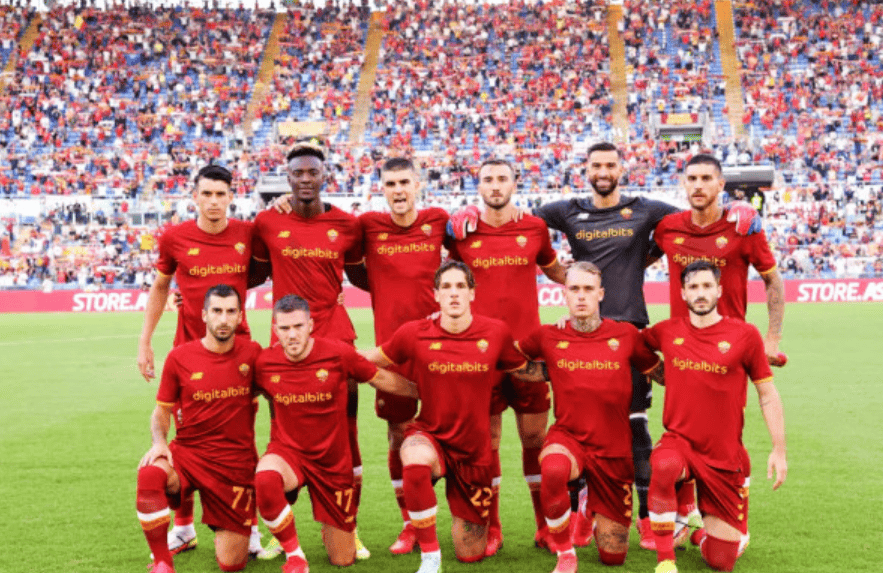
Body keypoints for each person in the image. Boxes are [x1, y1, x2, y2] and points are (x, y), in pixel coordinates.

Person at [530, 142, 761, 548]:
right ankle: (582, 507)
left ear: (622, 169)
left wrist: (736, 208)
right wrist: (555, 269)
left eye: (610, 165)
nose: (603, 171)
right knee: (577, 422)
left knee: (635, 424)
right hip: (582, 332)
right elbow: (522, 226)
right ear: (586, 169)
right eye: (596, 165)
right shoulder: (567, 211)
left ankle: (645, 518)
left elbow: (696, 213)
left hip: (630, 332)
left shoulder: (646, 210)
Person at [360, 261, 547, 573]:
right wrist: (411, 389)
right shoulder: (414, 333)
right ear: (436, 295)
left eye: (461, 286)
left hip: (473, 452)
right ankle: (430, 557)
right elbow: (369, 364)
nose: (454, 293)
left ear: (472, 293)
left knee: (470, 553)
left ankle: (466, 526)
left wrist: (571, 362)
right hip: (430, 435)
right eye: (446, 287)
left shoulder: (496, 332)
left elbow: (526, 371)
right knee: (414, 459)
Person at [136, 164, 266, 557]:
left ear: (231, 197)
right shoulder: (174, 238)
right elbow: (161, 287)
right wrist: (145, 342)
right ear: (195, 196)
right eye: (206, 193)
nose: (213, 201)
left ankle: (249, 524)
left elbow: (271, 268)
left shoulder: (247, 234)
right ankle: (183, 528)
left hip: (238, 352)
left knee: (243, 438)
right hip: (189, 352)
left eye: (220, 194)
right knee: (186, 439)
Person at [251, 143, 370, 558]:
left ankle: (349, 525)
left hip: (335, 336)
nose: (305, 179)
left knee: (348, 434)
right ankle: (281, 530)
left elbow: (364, 277)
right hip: (285, 342)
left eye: (312, 172)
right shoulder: (268, 221)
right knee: (283, 436)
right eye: (298, 173)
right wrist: (191, 294)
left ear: (325, 176)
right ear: (287, 178)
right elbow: (251, 273)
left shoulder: (347, 225)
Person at [447, 158, 566, 554]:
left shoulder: (534, 228)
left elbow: (557, 271)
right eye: (488, 179)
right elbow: (440, 277)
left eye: (502, 178)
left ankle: (545, 526)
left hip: (528, 354)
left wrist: (599, 284)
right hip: (481, 357)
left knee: (535, 439)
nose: (495, 185)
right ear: (477, 185)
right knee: (489, 444)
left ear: (515, 183)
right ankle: (492, 528)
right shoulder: (461, 232)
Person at [253, 294, 416, 573]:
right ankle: (294, 555)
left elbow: (381, 378)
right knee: (265, 478)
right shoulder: (264, 363)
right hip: (288, 455)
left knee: (343, 559)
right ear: (275, 329)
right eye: (284, 328)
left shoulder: (338, 354)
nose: (292, 335)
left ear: (310, 325)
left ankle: (332, 527)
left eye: (298, 326)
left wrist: (424, 392)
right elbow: (236, 395)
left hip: (331, 465)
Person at [516, 262, 662, 573]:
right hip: (569, 438)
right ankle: (565, 553)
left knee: (613, 556)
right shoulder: (548, 336)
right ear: (564, 294)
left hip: (614, 450)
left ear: (601, 294)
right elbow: (510, 358)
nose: (581, 296)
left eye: (587, 289)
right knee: (553, 467)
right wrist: (549, 371)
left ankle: (587, 505)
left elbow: (660, 372)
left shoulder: (626, 335)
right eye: (574, 289)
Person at [642, 261, 787, 573]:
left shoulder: (745, 335)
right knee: (664, 464)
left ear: (719, 290)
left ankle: (702, 533)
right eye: (693, 287)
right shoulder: (667, 331)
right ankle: (666, 560)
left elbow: (767, 394)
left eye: (707, 286)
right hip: (680, 442)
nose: (700, 293)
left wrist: (779, 448)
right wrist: (653, 369)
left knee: (721, 562)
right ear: (682, 293)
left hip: (723, 455)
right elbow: (629, 343)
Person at [356, 157, 449, 554]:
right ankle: (411, 523)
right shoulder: (368, 226)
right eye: (390, 184)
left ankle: (472, 517)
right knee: (398, 434)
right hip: (390, 352)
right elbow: (349, 263)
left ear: (417, 185)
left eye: (404, 182)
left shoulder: (438, 220)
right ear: (382, 188)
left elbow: (466, 251)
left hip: (439, 349)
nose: (398, 190)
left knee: (458, 430)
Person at [136, 284, 262, 573]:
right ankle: (163, 563)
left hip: (233, 464)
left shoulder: (253, 354)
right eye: (216, 311)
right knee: (150, 473)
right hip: (189, 455)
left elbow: (283, 384)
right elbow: (162, 410)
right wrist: (159, 442)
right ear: (204, 315)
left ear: (240, 316)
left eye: (230, 312)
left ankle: (224, 527)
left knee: (232, 564)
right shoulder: (180, 357)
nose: (223, 319)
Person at [652, 153, 785, 363]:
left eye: (706, 178)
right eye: (692, 179)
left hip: (730, 349)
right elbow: (635, 264)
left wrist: (773, 339)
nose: (698, 185)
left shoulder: (744, 228)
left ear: (721, 184)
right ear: (684, 184)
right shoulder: (667, 227)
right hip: (682, 350)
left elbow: (773, 280)